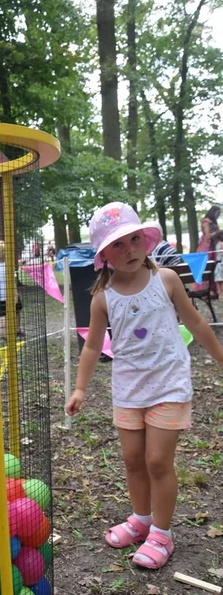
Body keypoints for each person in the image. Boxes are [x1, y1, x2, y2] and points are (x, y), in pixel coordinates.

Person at [65, 202, 223, 569]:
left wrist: (220, 358)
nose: (130, 249)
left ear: (145, 240)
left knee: (156, 460)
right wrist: (80, 388)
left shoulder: (165, 280)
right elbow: (92, 346)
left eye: (135, 239)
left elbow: (197, 323)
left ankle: (163, 535)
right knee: (133, 460)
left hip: (169, 384)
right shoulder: (102, 297)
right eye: (118, 245)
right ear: (104, 254)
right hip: (128, 390)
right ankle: (142, 520)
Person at [0, 241, 24, 340]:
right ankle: (16, 330)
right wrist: (16, 295)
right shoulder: (8, 267)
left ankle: (3, 334)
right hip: (11, 294)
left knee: (2, 315)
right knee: (17, 312)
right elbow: (13, 282)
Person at [213, 231, 223, 298]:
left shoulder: (217, 244)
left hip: (218, 264)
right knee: (222, 280)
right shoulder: (222, 244)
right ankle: (222, 294)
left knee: (219, 280)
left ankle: (220, 293)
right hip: (222, 264)